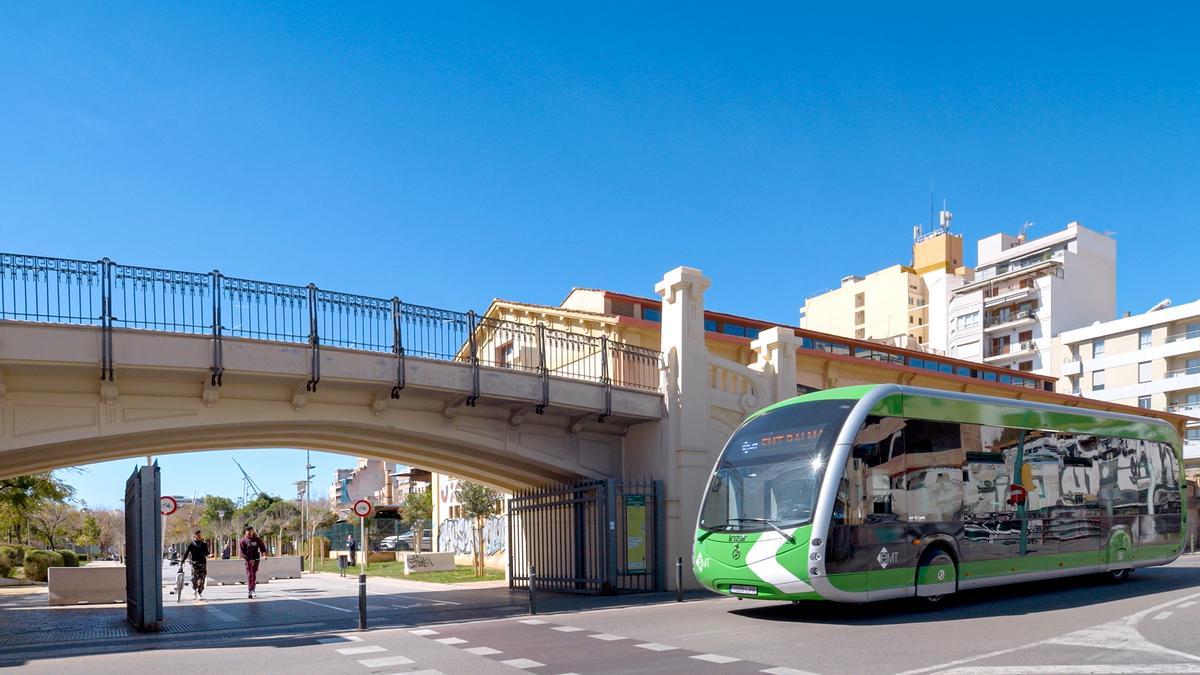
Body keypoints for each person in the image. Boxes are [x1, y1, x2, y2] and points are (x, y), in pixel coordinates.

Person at [239, 525, 270, 599]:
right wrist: (248, 558)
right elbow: (242, 553)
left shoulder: (257, 539)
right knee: (250, 574)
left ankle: (253, 589)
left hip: (256, 559)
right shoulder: (243, 541)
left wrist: (264, 555)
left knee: (254, 574)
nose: (249, 533)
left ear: (253, 531)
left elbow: (262, 548)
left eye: (250, 531)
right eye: (247, 531)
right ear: (245, 532)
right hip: (248, 559)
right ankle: (250, 590)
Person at [180, 530, 210, 600]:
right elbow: (186, 553)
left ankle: (199, 593)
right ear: (194, 536)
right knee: (194, 578)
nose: (200, 536)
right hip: (194, 564)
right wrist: (182, 561)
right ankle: (194, 590)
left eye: (200, 535)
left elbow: (206, 553)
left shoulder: (204, 544)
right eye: (198, 535)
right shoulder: (191, 544)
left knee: (202, 579)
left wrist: (209, 555)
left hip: (202, 563)